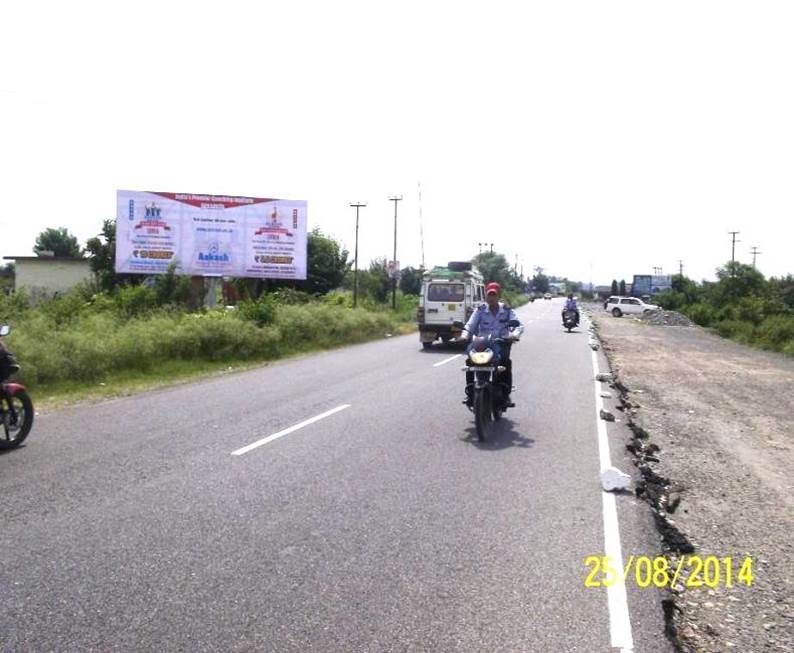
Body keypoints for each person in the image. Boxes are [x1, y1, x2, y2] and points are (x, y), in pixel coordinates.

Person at [457, 282, 524, 406]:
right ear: (486, 296)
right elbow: (470, 325)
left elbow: (519, 325)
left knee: (505, 363)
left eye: (494, 295)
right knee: (470, 362)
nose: (491, 298)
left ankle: (505, 393)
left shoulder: (506, 310)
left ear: (498, 296)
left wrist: (513, 335)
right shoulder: (480, 310)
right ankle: (470, 393)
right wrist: (464, 336)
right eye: (489, 295)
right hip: (483, 344)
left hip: (501, 343)